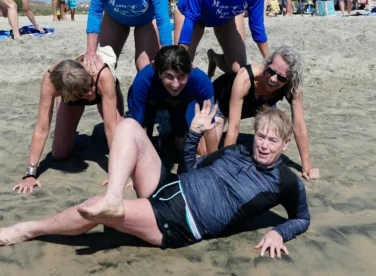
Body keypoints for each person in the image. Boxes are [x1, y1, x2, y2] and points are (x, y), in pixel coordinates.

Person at [0, 102, 310, 259]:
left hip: (182, 221)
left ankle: (26, 230)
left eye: (272, 140)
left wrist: (279, 233)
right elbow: (190, 170)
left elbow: (302, 217)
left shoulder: (285, 181)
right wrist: (194, 134)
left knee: (92, 207)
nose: (263, 145)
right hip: (170, 187)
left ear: (285, 145)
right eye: (260, 136)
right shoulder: (236, 151)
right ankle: (115, 194)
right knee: (130, 125)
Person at [12, 47, 124, 195]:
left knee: (122, 134)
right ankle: (64, 104)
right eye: (84, 93)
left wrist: (116, 174)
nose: (90, 93)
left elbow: (110, 127)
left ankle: (80, 92)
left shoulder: (102, 76)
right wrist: (30, 174)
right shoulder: (50, 82)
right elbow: (42, 128)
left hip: (104, 89)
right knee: (59, 154)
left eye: (90, 86)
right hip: (70, 94)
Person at [213, 46, 319, 180]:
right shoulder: (245, 78)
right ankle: (215, 57)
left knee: (272, 125)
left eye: (281, 78)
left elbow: (298, 126)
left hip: (256, 106)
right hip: (222, 100)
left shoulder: (292, 87)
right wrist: (228, 164)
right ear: (267, 65)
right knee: (206, 150)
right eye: (271, 71)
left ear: (289, 80)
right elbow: (233, 127)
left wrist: (306, 166)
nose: (274, 79)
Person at [127, 45, 217, 154]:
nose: (175, 84)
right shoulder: (144, 80)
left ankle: (170, 136)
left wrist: (215, 165)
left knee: (183, 142)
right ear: (158, 72)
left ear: (191, 69)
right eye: (169, 76)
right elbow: (139, 127)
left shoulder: (201, 82)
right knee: (144, 144)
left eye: (181, 76)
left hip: (182, 101)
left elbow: (209, 126)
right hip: (151, 101)